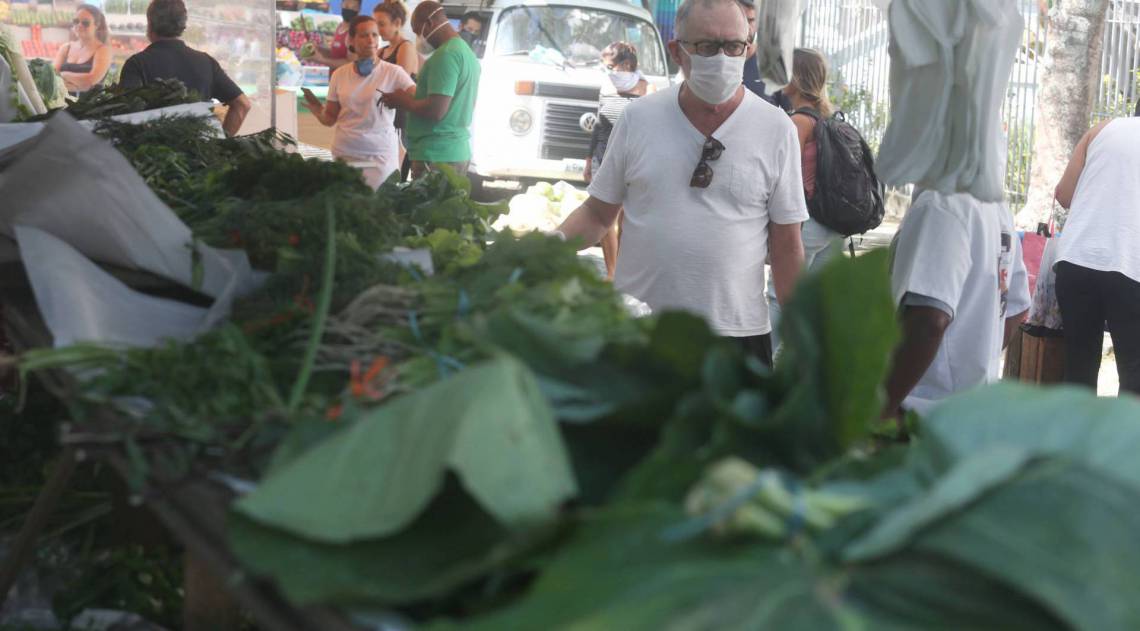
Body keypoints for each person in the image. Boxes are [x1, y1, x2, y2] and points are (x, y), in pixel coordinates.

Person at [556, 0, 807, 366]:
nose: (721, 57)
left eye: (732, 46)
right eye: (706, 47)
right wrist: (549, 245)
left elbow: (787, 246)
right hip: (641, 330)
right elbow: (597, 214)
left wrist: (805, 336)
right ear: (677, 51)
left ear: (748, 48)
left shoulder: (776, 129)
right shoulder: (639, 119)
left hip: (736, 338)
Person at [1052, 116, 1140, 395]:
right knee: (1134, 376)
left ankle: (1075, 438)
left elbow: (1064, 195)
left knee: (1078, 369)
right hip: (1130, 268)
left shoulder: (1101, 129)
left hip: (1075, 261)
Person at [765, 48, 846, 349]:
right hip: (833, 226)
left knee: (779, 297)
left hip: (808, 223)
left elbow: (784, 175)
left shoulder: (797, 121)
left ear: (796, 79)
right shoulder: (829, 115)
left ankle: (764, 363)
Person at [303, 15, 415, 188]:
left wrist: (401, 100)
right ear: (351, 41)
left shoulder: (393, 73)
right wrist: (318, 111)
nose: (370, 40)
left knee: (378, 207)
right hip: (345, 155)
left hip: (380, 157)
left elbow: (417, 98)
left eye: (374, 35)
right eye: (364, 35)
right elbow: (330, 119)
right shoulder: (339, 75)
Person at [118, 0, 252, 136]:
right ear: (183, 25)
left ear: (150, 24)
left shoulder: (136, 64)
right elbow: (242, 105)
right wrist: (220, 145)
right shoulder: (206, 62)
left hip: (152, 154)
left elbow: (127, 116)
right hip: (200, 152)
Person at [380, 1, 481, 179]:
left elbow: (436, 110)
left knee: (428, 206)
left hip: (436, 156)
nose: (419, 38)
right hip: (455, 151)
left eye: (418, 31)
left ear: (429, 24)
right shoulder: (466, 53)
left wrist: (403, 101)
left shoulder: (446, 56)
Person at [585, 42, 649, 280]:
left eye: (611, 66)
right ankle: (612, 272)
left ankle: (622, 269)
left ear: (626, 65)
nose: (609, 71)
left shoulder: (645, 88)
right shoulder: (606, 84)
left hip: (632, 159)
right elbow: (599, 125)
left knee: (625, 219)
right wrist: (589, 158)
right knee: (604, 218)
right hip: (603, 157)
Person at [737, 0, 791, 110]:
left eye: (750, 20)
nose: (746, 28)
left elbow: (792, 112)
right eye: (739, 20)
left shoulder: (774, 63)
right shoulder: (717, 60)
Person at [53, 4, 112, 94]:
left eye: (85, 23)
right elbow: (52, 77)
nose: (79, 25)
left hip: (90, 106)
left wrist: (64, 75)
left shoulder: (103, 50)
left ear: (97, 25)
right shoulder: (65, 48)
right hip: (62, 104)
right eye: (76, 21)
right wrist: (78, 83)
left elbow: (91, 80)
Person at [306, 0, 361, 70]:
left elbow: (350, 64)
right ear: (341, 5)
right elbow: (335, 53)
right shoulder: (340, 26)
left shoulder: (355, 32)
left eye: (353, 7)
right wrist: (319, 49)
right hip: (334, 78)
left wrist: (321, 60)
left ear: (359, 9)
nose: (349, 9)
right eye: (346, 5)